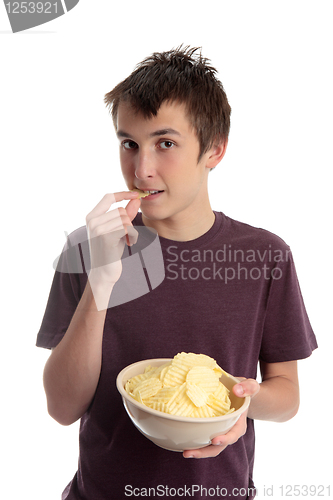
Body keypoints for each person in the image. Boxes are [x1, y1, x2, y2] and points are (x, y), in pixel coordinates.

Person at [37, 46, 317, 499]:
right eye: (129, 143)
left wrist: (241, 402)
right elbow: (62, 407)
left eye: (165, 143)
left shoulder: (266, 255)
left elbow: (287, 398)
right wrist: (102, 281)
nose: (142, 169)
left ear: (215, 150)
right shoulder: (88, 247)